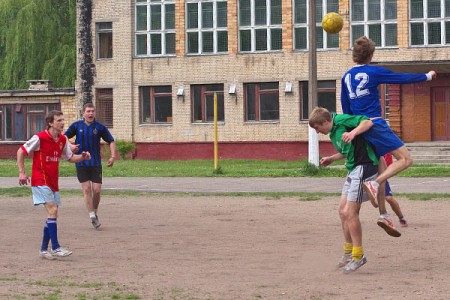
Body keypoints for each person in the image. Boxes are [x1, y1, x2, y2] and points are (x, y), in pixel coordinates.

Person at [340, 36, 436, 235]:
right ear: (371, 55)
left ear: (354, 56)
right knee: (406, 159)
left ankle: (384, 215)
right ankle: (373, 184)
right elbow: (401, 78)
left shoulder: (346, 77)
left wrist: (353, 132)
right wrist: (426, 76)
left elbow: (347, 109)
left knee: (382, 167)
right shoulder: (373, 72)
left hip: (358, 128)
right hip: (374, 124)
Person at [309, 107, 380, 274]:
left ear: (325, 122)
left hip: (364, 166)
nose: (318, 132)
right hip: (352, 169)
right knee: (342, 211)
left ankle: (358, 256)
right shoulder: (333, 130)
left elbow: (367, 122)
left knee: (350, 212)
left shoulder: (342, 120)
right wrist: (332, 159)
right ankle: (348, 253)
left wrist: (354, 132)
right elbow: (347, 150)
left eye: (317, 128)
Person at [17, 110, 91, 260]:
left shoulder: (62, 139)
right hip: (39, 180)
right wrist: (22, 172)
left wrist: (82, 157)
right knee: (53, 209)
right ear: (50, 123)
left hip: (52, 182)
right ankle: (55, 247)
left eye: (63, 120)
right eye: (59, 120)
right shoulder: (39, 138)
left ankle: (44, 250)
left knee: (52, 213)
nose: (63, 123)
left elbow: (69, 158)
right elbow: (20, 151)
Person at [65, 103, 116, 229]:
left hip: (95, 163)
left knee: (97, 190)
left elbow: (111, 141)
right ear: (83, 113)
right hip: (81, 161)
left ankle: (95, 212)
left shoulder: (99, 127)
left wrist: (113, 156)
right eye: (88, 111)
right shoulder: (76, 126)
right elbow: (64, 136)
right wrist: (70, 146)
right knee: (87, 189)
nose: (91, 113)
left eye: (92, 111)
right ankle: (92, 216)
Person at [384, 153, 408, 227]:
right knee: (356, 201)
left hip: (380, 176)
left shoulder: (384, 149)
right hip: (365, 175)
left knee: (389, 198)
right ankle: (352, 217)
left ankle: (401, 217)